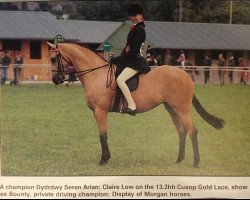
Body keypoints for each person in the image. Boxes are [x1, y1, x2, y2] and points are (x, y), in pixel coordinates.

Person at [110, 2, 151, 115]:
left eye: (135, 15)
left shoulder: (140, 29)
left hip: (135, 61)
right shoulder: (135, 28)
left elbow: (133, 51)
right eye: (131, 15)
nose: (132, 17)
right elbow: (128, 48)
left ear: (140, 15)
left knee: (120, 80)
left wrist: (119, 59)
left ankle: (132, 106)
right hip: (131, 59)